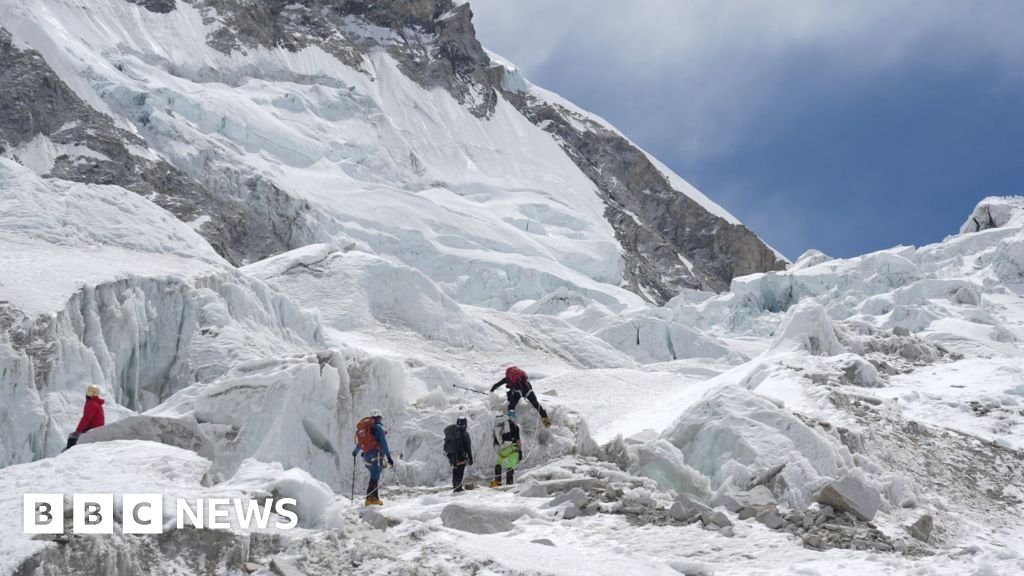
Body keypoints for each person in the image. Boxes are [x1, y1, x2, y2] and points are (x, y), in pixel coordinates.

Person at [352, 409, 394, 506]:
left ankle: (373, 499)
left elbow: (361, 443)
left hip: (366, 455)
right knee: (375, 476)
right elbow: (383, 443)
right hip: (375, 453)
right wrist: (389, 457)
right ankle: (370, 499)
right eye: (380, 418)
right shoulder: (379, 427)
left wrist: (355, 452)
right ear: (379, 417)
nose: (380, 419)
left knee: (374, 476)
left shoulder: (366, 429)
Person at [65, 385, 105, 451]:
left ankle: (69, 453)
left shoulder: (92, 403)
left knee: (72, 438)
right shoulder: (97, 403)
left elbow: (86, 419)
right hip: (97, 428)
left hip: (92, 428)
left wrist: (78, 431)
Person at [490, 410, 522, 488]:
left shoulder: (503, 424)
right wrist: (520, 451)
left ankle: (497, 482)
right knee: (511, 466)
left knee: (498, 463)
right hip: (513, 448)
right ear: (514, 417)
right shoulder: (515, 426)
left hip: (504, 448)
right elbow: (518, 440)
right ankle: (509, 484)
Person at [443, 416, 473, 492]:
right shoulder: (465, 434)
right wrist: (470, 458)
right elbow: (468, 448)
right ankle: (458, 488)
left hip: (452, 455)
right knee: (460, 471)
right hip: (461, 456)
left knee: (455, 470)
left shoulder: (454, 434)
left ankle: (455, 486)